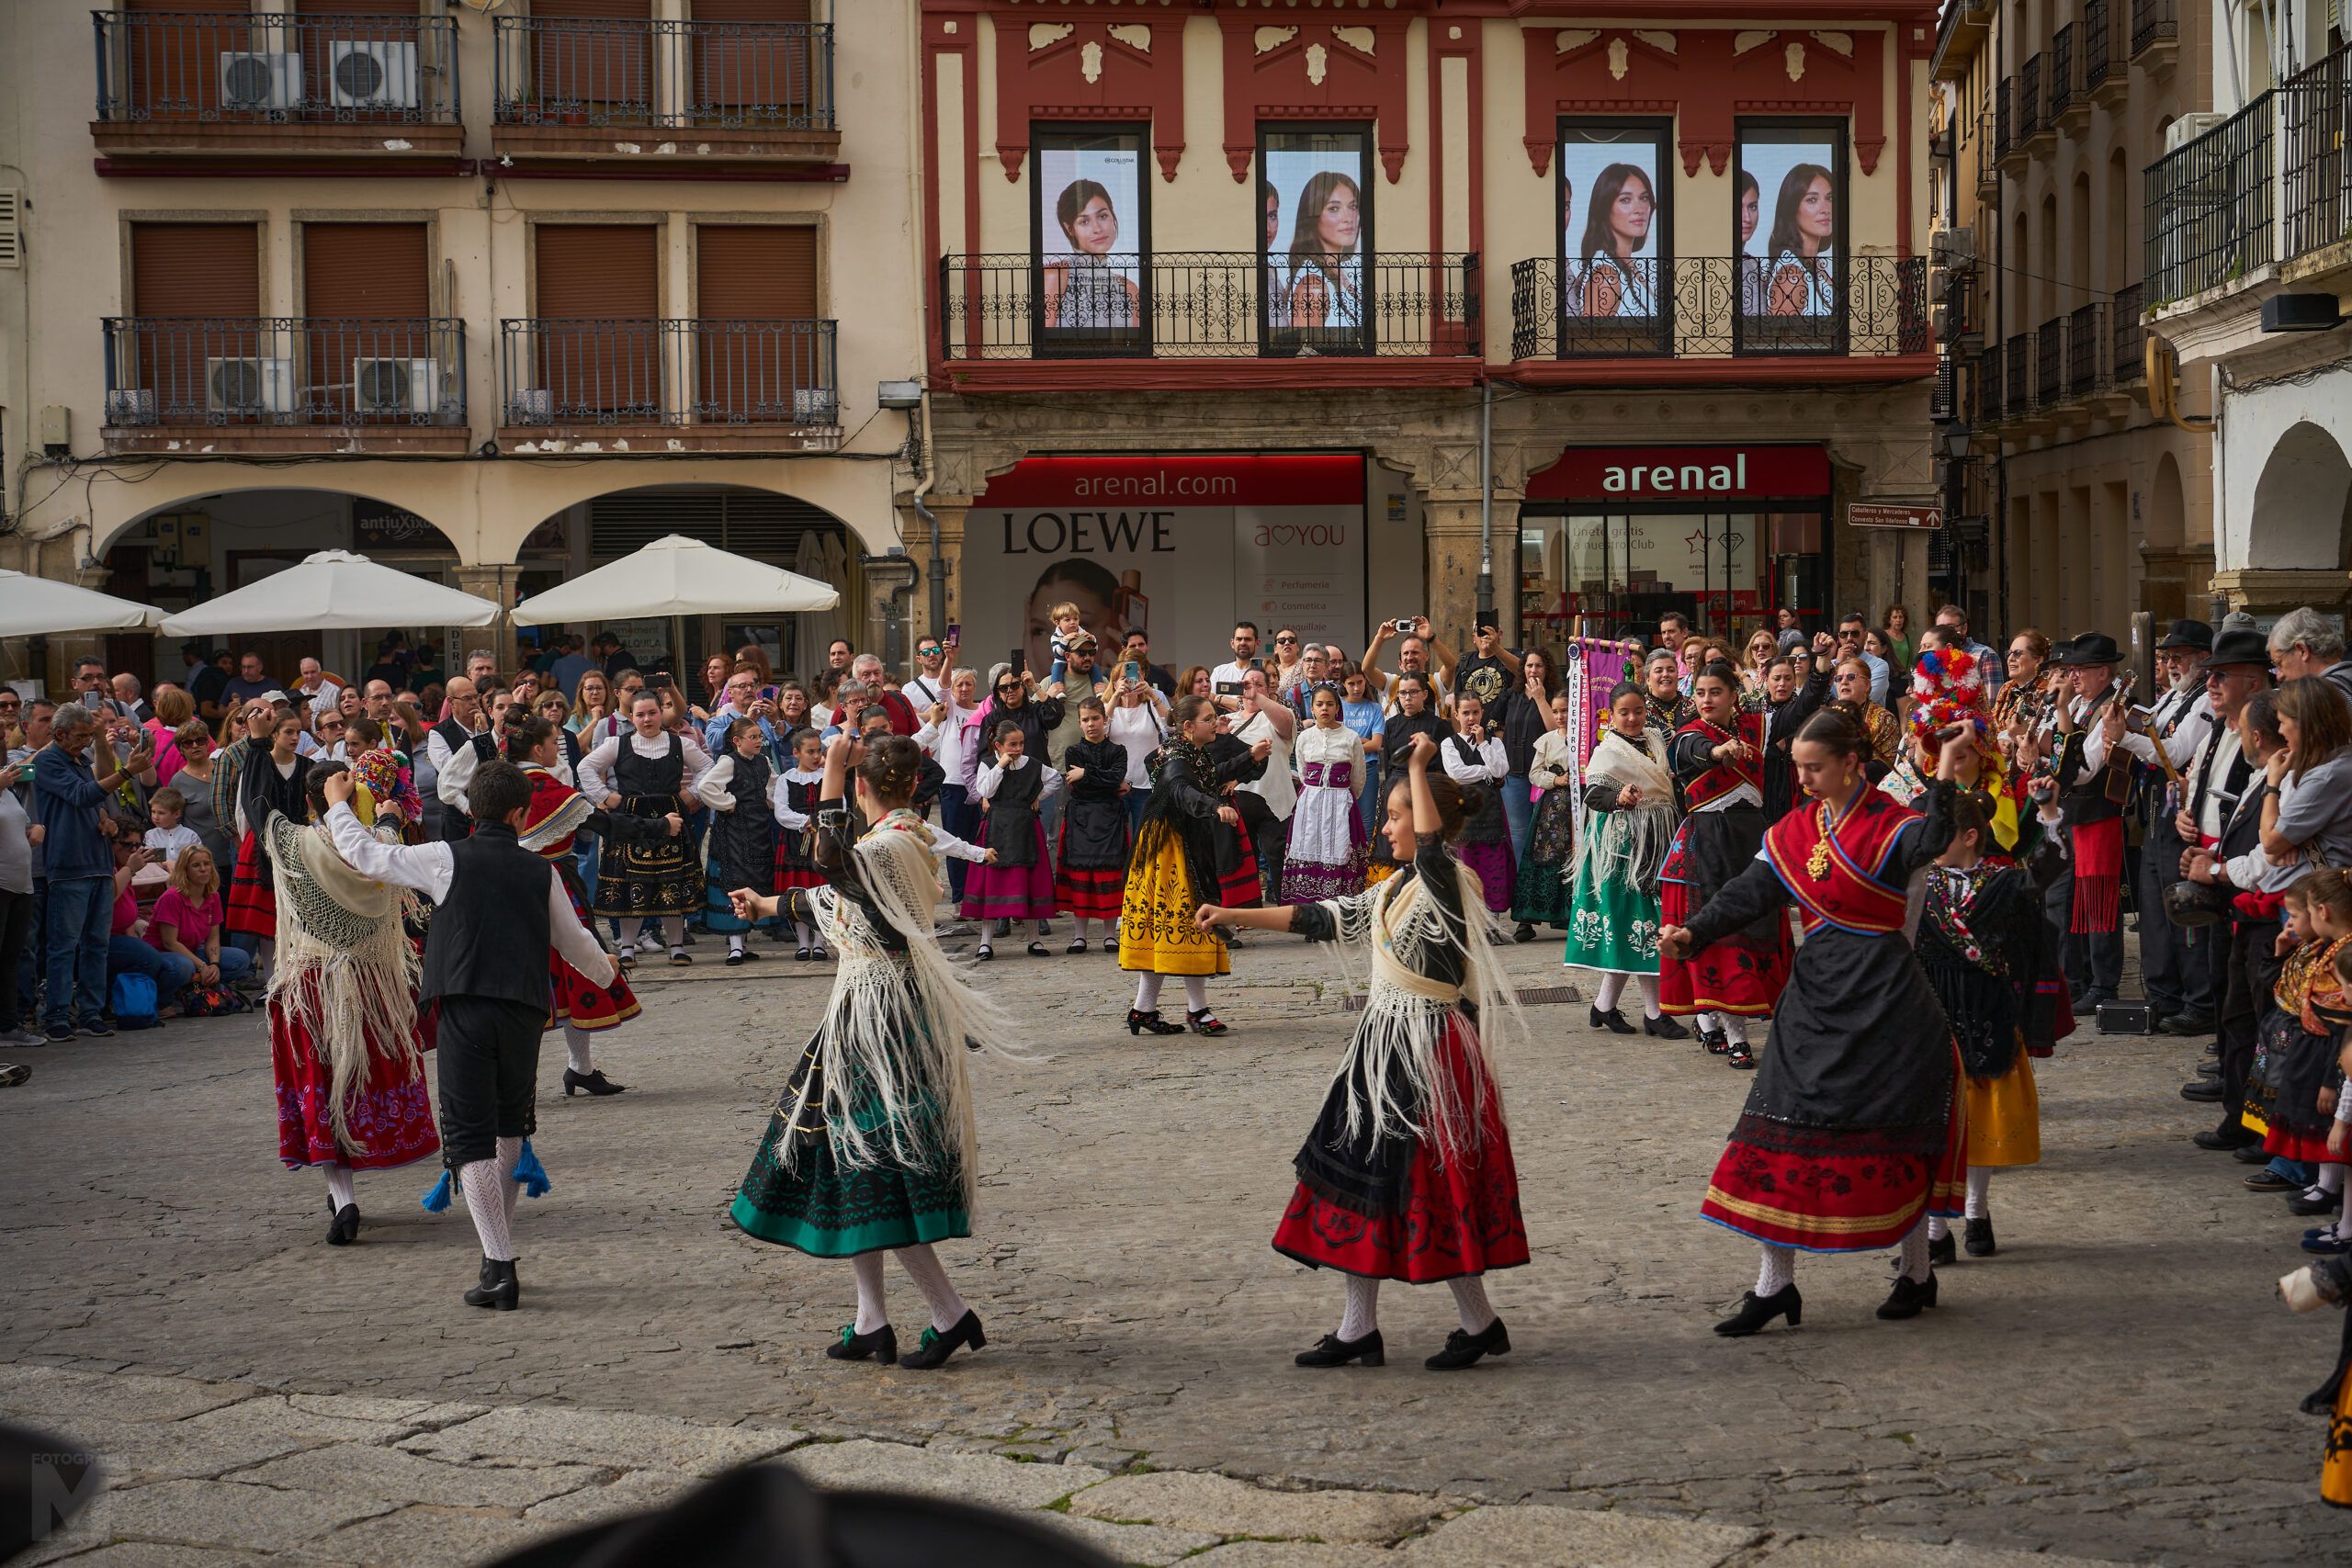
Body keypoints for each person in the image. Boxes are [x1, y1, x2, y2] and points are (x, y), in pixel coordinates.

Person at [1195, 731, 1528, 1371]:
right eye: (1393, 812)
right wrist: (1235, 914)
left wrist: (1421, 764)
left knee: (1416, 1187)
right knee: (1364, 1181)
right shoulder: (1394, 887)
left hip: (1427, 1051)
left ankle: (1471, 1321)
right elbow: (1326, 916)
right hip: (1384, 1046)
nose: (1390, 823)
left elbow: (1433, 851)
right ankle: (1373, 1327)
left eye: (1400, 813)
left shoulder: (1448, 884)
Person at [1662, 707, 1969, 1335]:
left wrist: (1942, 769)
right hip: (1813, 997)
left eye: (1814, 767)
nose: (1802, 779)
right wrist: (1694, 931)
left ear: (1852, 763)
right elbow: (1751, 890)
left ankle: (1916, 1271)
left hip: (1886, 999)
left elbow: (1936, 837)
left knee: (1896, 1134)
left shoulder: (1891, 824)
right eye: (1798, 767)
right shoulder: (1797, 828)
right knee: (1778, 1128)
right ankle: (1774, 1285)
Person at [727, 735, 1024, 1371]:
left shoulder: (885, 845)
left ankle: (948, 1312)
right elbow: (835, 897)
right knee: (849, 1155)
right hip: (871, 1003)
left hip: (879, 1012)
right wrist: (766, 903)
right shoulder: (905, 836)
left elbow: (832, 863)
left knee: (875, 1158)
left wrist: (831, 770)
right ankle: (872, 1320)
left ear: (866, 786)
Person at [320, 760, 616, 1305]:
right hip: (525, 1012)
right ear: (522, 814)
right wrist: (607, 971)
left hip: (466, 1009)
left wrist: (339, 804)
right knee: (507, 1129)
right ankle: (493, 1256)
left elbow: (366, 855)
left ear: (470, 810)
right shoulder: (540, 870)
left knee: (472, 1137)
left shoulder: (442, 858)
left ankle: (500, 1267)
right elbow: (574, 943)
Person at [248, 758, 441, 1247]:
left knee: (322, 1084)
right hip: (371, 985)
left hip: (310, 983)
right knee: (355, 1082)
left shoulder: (294, 843)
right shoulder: (381, 845)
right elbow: (381, 846)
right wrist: (393, 820)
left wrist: (257, 744)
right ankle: (346, 1195)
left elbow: (256, 804)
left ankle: (344, 1198)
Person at [1916, 788, 2065, 1264]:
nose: (1930, 843)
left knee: (1980, 1117)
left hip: (1988, 1009)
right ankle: (1936, 1227)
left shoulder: (2002, 884)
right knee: (1933, 1122)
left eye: (1940, 835)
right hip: (1932, 1010)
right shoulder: (1917, 883)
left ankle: (1977, 1209)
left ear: (1970, 836)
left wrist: (2048, 814)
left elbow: (2049, 865)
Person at [1657, 661, 1791, 1066]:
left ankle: (1711, 1019)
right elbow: (1693, 753)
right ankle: (1731, 1033)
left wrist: (1818, 671)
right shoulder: (1688, 736)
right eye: (1700, 693)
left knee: (1756, 932)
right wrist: (1718, 752)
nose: (1706, 700)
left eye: (1715, 692)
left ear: (1734, 695)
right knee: (1720, 940)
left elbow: (1797, 715)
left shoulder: (1756, 727)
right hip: (1707, 847)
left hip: (1749, 843)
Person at [2182, 683, 2294, 1153]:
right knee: (2238, 1020)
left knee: (2265, 1027)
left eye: (2243, 729)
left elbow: (2270, 856)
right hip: (2245, 915)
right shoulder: (2261, 777)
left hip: (2269, 919)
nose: (2238, 736)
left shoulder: (2281, 782)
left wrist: (2219, 870)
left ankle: (2266, 1129)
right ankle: (2241, 1118)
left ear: (2258, 735)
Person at [1119, 694, 1243, 1036]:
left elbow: (1207, 776)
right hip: (1171, 848)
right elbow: (1179, 788)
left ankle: (1144, 1010)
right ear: (1188, 727)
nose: (1216, 722)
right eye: (1208, 718)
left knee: (1166, 929)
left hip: (1170, 843)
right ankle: (1197, 1011)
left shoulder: (1189, 751)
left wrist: (1250, 758)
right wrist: (1214, 807)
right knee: (1192, 922)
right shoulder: (1177, 756)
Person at [1565, 682, 1684, 1036]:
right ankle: (1654, 1013)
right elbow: (1594, 794)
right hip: (1624, 850)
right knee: (1641, 922)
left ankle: (1603, 1007)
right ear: (1611, 716)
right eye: (1624, 712)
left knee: (1638, 924)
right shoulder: (1607, 750)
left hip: (1660, 838)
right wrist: (1620, 797)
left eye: (1638, 711)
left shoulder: (1656, 740)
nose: (1632, 718)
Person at [34, 705, 153, 1041]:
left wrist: (108, 820)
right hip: (69, 865)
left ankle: (90, 1012)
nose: (86, 741)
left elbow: (96, 795)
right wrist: (127, 772)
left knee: (96, 944)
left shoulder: (79, 760)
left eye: (90, 735)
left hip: (98, 862)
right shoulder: (48, 761)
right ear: (60, 735)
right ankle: (56, 1016)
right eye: (81, 736)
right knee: (64, 945)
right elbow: (81, 795)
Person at [579, 693, 711, 966]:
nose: (647, 719)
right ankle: (627, 947)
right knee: (631, 884)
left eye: (652, 712)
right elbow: (586, 766)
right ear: (631, 717)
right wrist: (606, 797)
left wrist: (692, 794)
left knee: (671, 882)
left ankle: (676, 945)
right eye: (640, 714)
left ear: (661, 713)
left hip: (671, 818)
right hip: (631, 823)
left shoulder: (680, 743)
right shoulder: (617, 744)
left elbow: (709, 767)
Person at [2047, 633, 2132, 1009]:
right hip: (2070, 814)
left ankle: (2103, 984)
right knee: (2063, 900)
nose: (2073, 676)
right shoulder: (2082, 704)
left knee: (2097, 902)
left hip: (2096, 814)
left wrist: (2060, 725)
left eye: (2080, 670)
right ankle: (2073, 979)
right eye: (2071, 669)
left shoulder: (2112, 707)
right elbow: (2054, 754)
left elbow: (2082, 769)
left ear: (2102, 672)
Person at [963, 717, 1058, 959]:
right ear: (998, 746)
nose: (1017, 749)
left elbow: (1056, 779)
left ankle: (1034, 940)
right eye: (1012, 745)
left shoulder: (1033, 764)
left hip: (1026, 826)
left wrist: (1039, 795)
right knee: (991, 885)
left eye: (1021, 744)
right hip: (996, 827)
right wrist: (1001, 766)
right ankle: (986, 942)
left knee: (1030, 883)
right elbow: (985, 791)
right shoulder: (987, 764)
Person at [225, 713, 307, 972]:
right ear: (273, 735)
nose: (295, 737)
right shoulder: (260, 763)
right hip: (263, 842)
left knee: (298, 913)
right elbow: (244, 806)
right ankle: (273, 977)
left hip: (300, 842)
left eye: (298, 732)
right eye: (288, 732)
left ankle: (296, 973)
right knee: (268, 917)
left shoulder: (307, 765)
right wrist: (251, 843)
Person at [1052, 697, 1130, 953]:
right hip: (1081, 818)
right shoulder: (1073, 751)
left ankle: (1109, 934)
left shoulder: (1118, 751)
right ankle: (1079, 935)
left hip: (1109, 817)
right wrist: (1104, 781)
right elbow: (1083, 785)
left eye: (1095, 718)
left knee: (1110, 874)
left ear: (1105, 720)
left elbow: (1115, 777)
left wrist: (1086, 773)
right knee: (1081, 875)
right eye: (1085, 720)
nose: (1090, 724)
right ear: (1079, 723)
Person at [1283, 685, 1369, 902]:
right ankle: (1310, 912)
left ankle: (1338, 912)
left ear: (1337, 707)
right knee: (1308, 848)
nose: (1324, 709)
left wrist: (1342, 799)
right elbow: (1303, 772)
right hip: (1310, 804)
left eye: (1330, 704)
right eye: (1319, 704)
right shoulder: (1304, 738)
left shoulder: (1351, 738)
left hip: (1341, 804)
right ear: (1311, 708)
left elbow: (1358, 778)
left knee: (1340, 851)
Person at [1508, 687, 1578, 942]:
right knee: (1542, 856)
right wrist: (1557, 779)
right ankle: (1527, 919)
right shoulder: (1547, 740)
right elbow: (1534, 774)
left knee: (1574, 856)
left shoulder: (1585, 737)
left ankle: (1571, 916)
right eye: (1556, 711)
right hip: (1550, 810)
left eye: (1565, 710)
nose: (1560, 716)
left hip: (1579, 807)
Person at [1370, 674, 1451, 886]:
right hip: (1395, 786)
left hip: (1426, 786)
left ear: (1424, 694)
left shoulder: (1439, 725)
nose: (1408, 698)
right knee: (1392, 842)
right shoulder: (1392, 724)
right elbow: (1388, 763)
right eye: (1403, 693)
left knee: (1421, 840)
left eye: (1413, 692)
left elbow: (1444, 766)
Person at [1441, 693, 1514, 917]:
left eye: (1475, 712)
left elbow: (1501, 770)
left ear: (1482, 713)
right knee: (1465, 860)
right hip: (1463, 811)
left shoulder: (1494, 742)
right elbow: (1456, 773)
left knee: (1493, 863)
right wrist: (1485, 771)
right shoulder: (1449, 743)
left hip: (1490, 810)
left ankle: (1493, 918)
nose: (1471, 718)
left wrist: (1483, 744)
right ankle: (1469, 918)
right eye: (1465, 713)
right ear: (1456, 715)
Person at [147, 843, 252, 999]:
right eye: (196, 865)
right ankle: (165, 999)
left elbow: (213, 937)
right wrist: (202, 966)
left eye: (207, 864)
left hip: (193, 951)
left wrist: (214, 964)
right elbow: (170, 943)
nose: (203, 869)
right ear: (185, 870)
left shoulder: (212, 895)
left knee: (241, 959)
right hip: (164, 954)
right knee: (185, 966)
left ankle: (195, 986)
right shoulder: (172, 897)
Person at [1233, 668, 1297, 900]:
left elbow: (1285, 722)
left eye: (1259, 684)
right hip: (1239, 800)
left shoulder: (1280, 715)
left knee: (1278, 857)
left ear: (1269, 689)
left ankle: (1286, 908)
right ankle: (1247, 909)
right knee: (1243, 859)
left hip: (1276, 800)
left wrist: (1256, 695)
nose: (1252, 688)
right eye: (1247, 684)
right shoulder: (1227, 721)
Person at [1042, 179, 1139, 330]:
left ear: (1113, 216)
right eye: (1084, 222)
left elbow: (1134, 347)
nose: (1097, 229)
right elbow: (1043, 342)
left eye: (1102, 216)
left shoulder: (1129, 289)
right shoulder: (1055, 275)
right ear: (1070, 229)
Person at [1283, 169, 1364, 333]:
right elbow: (1306, 348)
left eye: (1353, 206)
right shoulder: (1313, 286)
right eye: (1334, 208)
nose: (1349, 217)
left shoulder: (1342, 273)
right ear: (1313, 217)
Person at [1578, 163, 1658, 319]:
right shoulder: (1605, 274)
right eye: (1625, 200)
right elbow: (1591, 338)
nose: (1639, 209)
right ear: (1605, 207)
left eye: (1644, 198)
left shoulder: (1630, 266)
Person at [425, 677, 496, 843]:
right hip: (458, 819)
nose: (474, 703)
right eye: (467, 698)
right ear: (451, 702)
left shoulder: (491, 726)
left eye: (476, 697)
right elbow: (452, 773)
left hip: (493, 813)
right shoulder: (438, 733)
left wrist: (486, 732)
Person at [1105, 663, 1169, 844]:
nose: (1130, 681)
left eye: (1135, 676)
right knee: (1118, 840)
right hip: (1117, 785)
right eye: (1123, 678)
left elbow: (1170, 727)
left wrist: (1151, 693)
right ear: (1115, 682)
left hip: (1147, 785)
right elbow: (1100, 732)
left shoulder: (1150, 705)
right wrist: (1116, 696)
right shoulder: (1108, 707)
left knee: (1145, 840)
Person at [2270, 607, 2352, 705]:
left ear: (2302, 650)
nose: (2279, 676)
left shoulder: (2320, 699)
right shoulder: (2345, 681)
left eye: (2280, 663)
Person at [143, 786, 201, 865]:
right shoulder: (150, 835)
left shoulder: (190, 835)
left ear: (176, 814)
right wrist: (166, 863)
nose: (155, 817)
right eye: (153, 812)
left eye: (161, 813)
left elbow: (197, 859)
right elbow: (150, 859)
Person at [1883, 604, 1917, 672]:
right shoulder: (1883, 635)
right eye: (1895, 617)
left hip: (1903, 677)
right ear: (1889, 620)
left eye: (1901, 617)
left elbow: (1911, 661)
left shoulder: (1908, 638)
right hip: (1888, 676)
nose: (1898, 620)